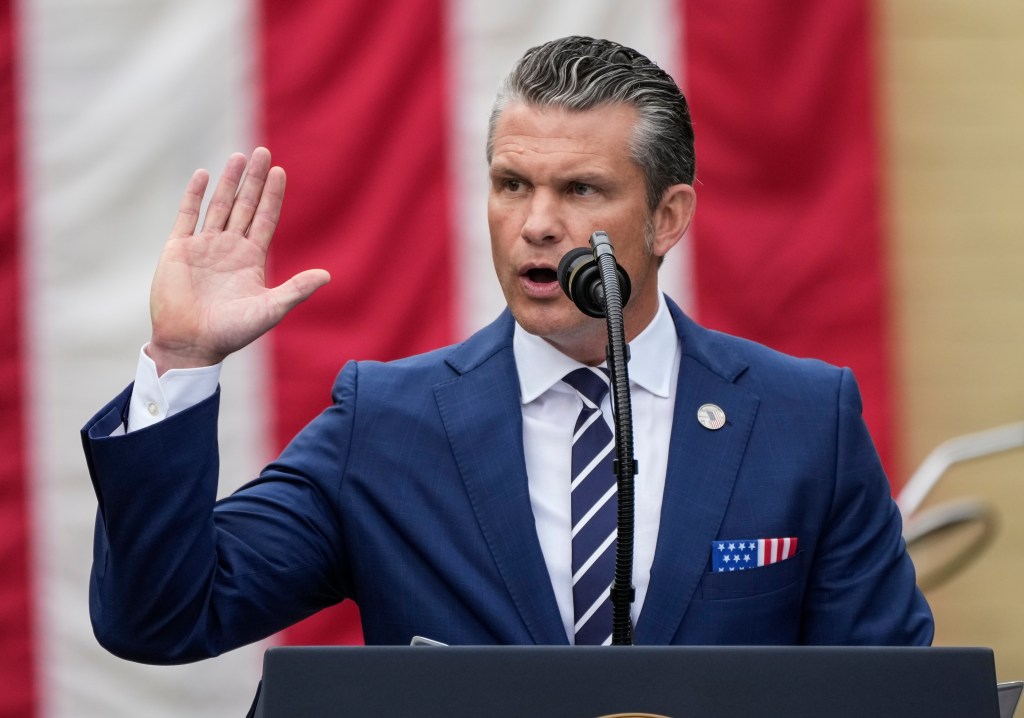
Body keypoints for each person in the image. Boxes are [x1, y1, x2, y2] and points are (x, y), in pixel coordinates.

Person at [81, 36, 933, 663]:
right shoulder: (386, 425)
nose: (537, 224)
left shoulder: (802, 419)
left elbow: (889, 688)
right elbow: (159, 619)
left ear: (667, 217)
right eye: (512, 184)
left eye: (582, 189)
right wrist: (181, 359)